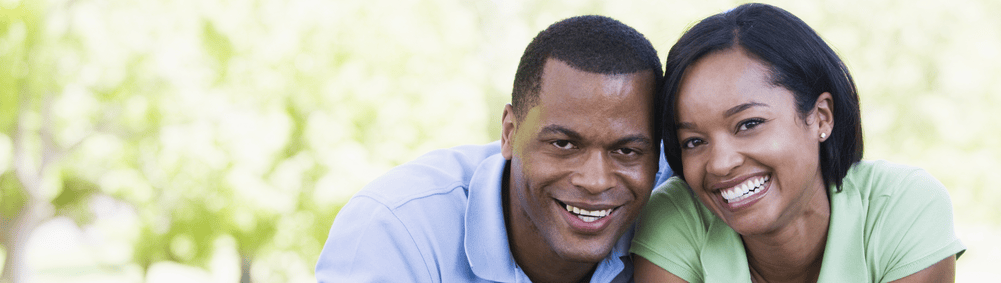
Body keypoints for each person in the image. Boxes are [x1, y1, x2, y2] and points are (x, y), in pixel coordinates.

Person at [316, 15, 673, 282]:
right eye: (563, 144)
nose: (595, 181)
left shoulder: (680, 207)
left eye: (626, 152)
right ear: (509, 133)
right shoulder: (396, 229)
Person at [631, 3, 965, 283]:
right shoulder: (676, 217)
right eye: (693, 141)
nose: (720, 163)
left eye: (749, 124)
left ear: (821, 117)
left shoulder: (903, 207)